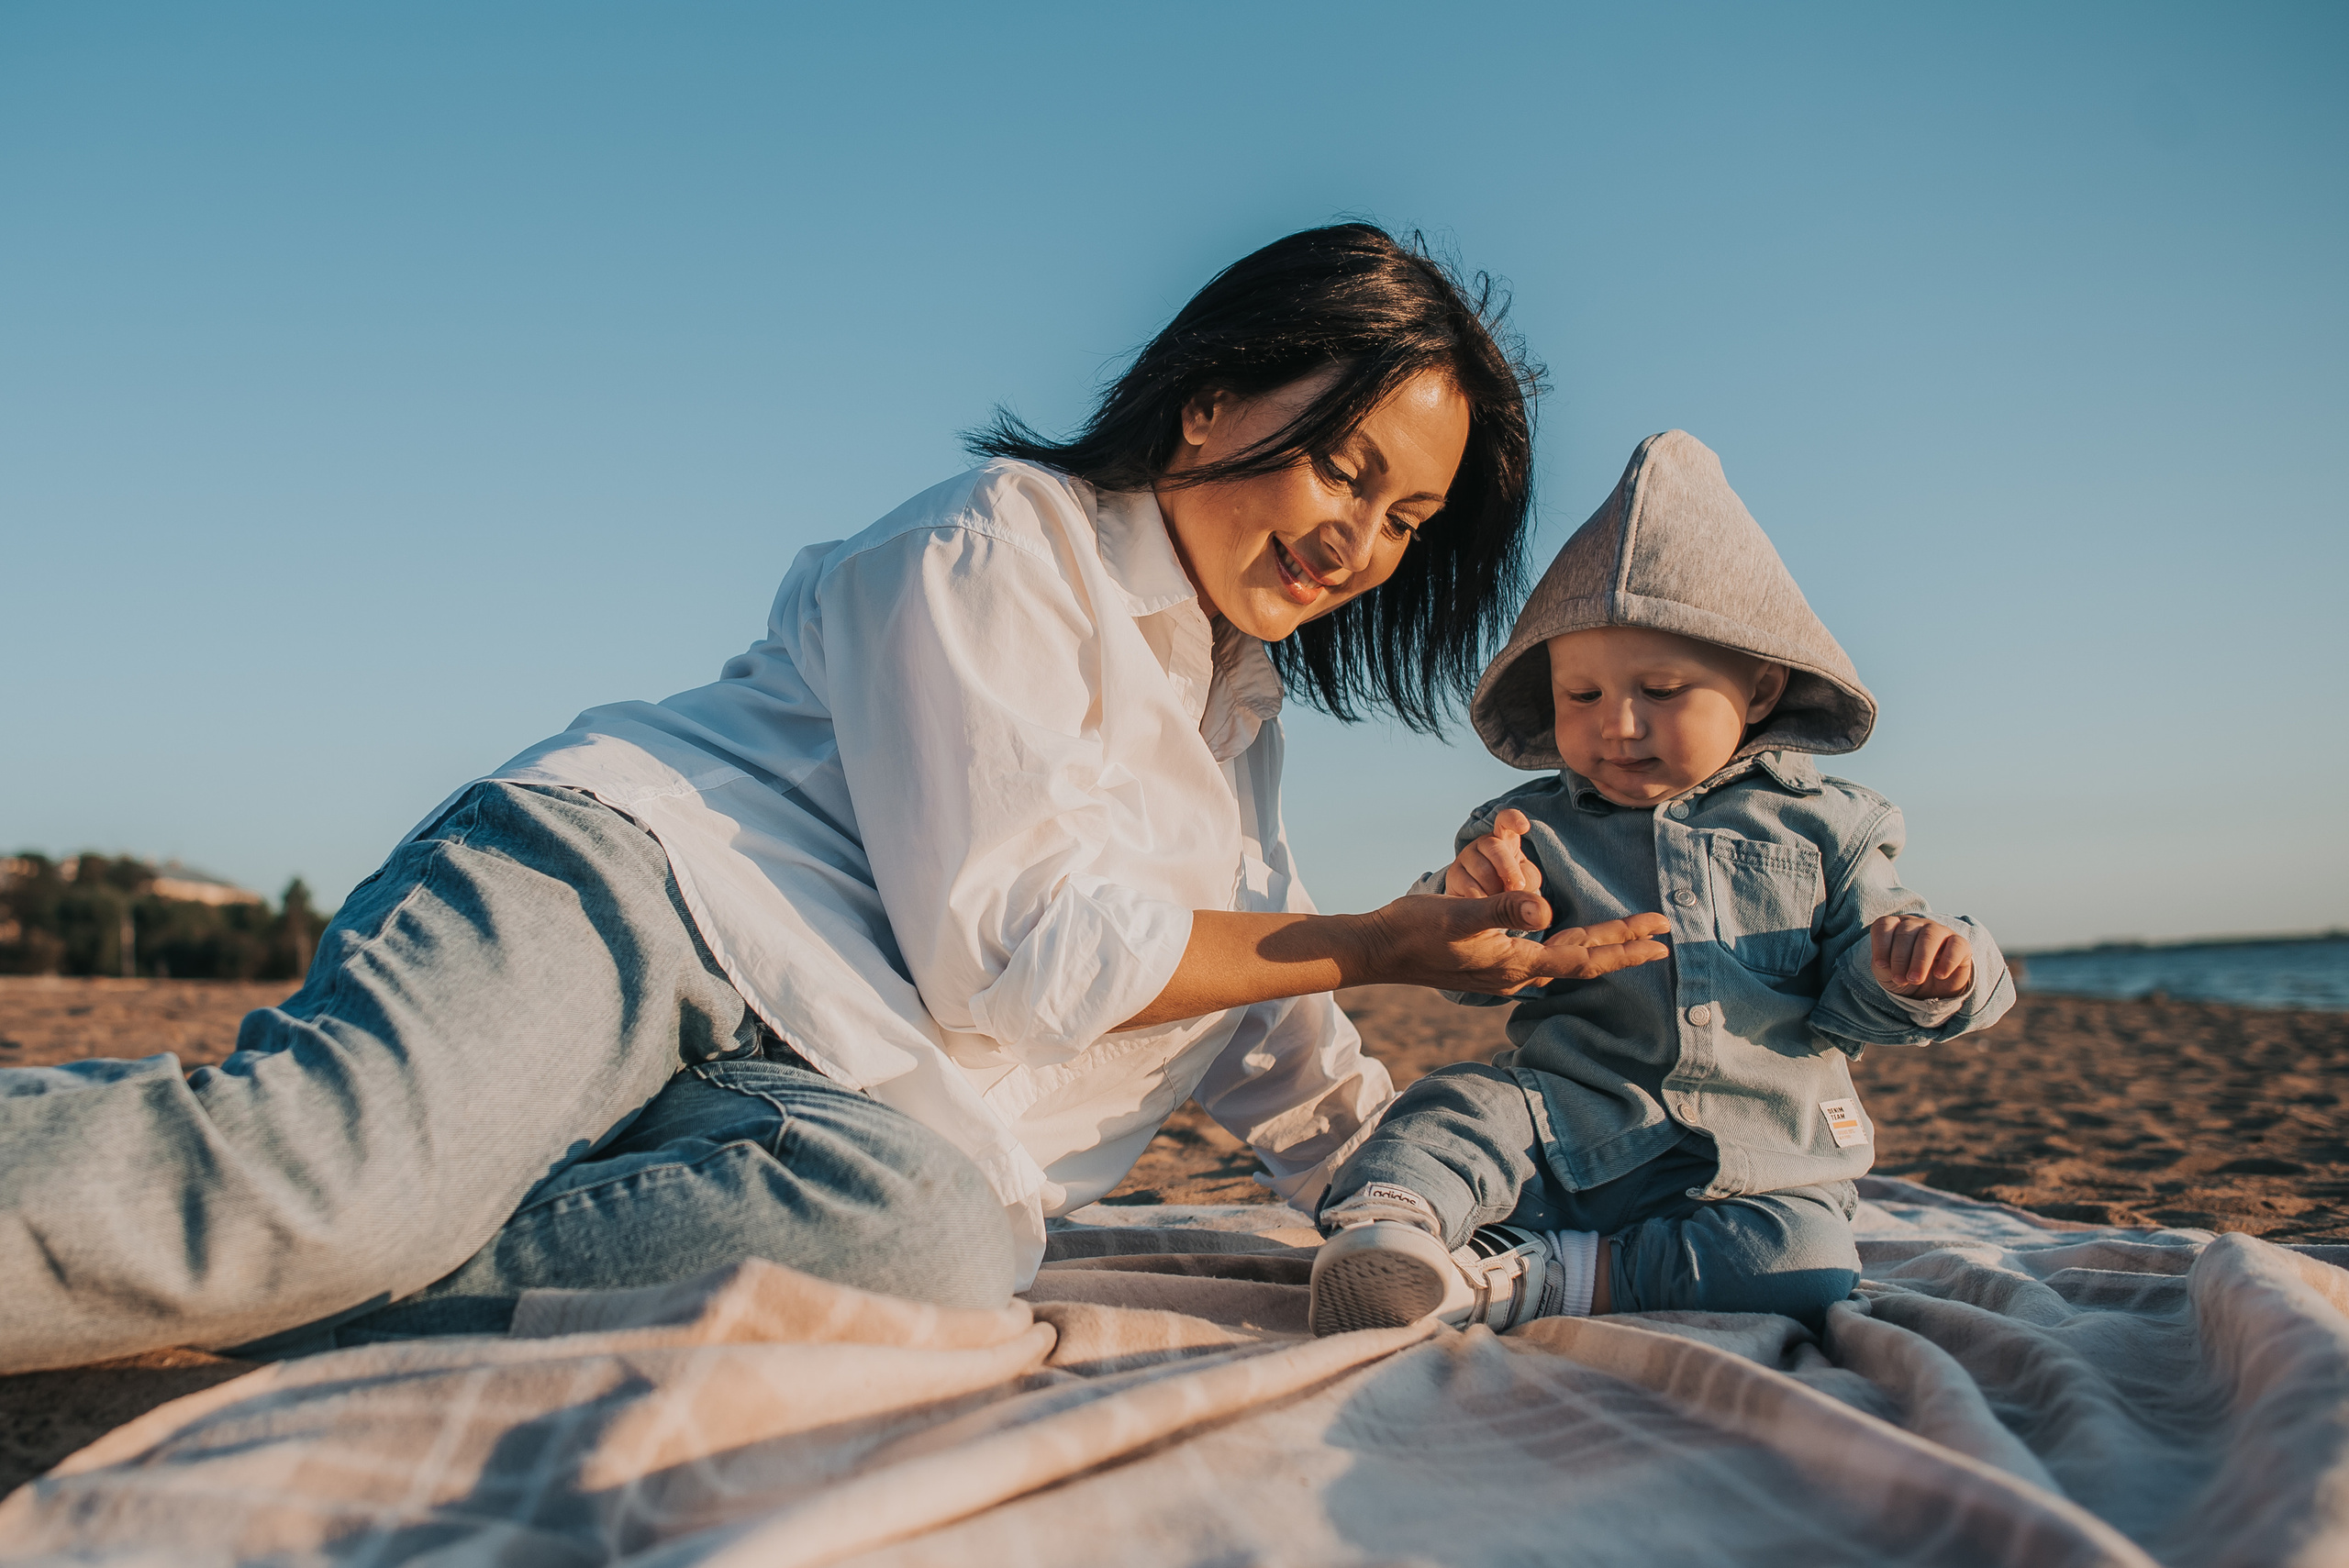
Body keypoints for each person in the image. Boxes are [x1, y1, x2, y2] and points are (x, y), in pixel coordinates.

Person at [0, 225, 1673, 1373]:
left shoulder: (1237, 721)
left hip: (839, 1096)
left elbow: (1270, 1056)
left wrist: (1487, 1210)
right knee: (313, 1195)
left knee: (941, 1242)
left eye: (1403, 521)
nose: (1354, 541)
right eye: (1344, 465)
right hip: (641, 897)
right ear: (1217, 397)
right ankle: (311, 1239)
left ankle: (319, 1289)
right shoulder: (996, 542)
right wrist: (1377, 936)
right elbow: (1016, 946)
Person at [1305, 429, 2015, 1338]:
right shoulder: (1530, 826)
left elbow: (1854, 993)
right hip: (1563, 1124)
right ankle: (1385, 1234)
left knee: (1804, 1264)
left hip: (1758, 1155)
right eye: (1583, 695)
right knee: (1452, 1106)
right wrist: (1476, 898)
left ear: (1758, 688)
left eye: (1662, 688)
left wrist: (1922, 970)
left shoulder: (1830, 824)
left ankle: (1534, 1274)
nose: (1619, 725)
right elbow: (1461, 964)